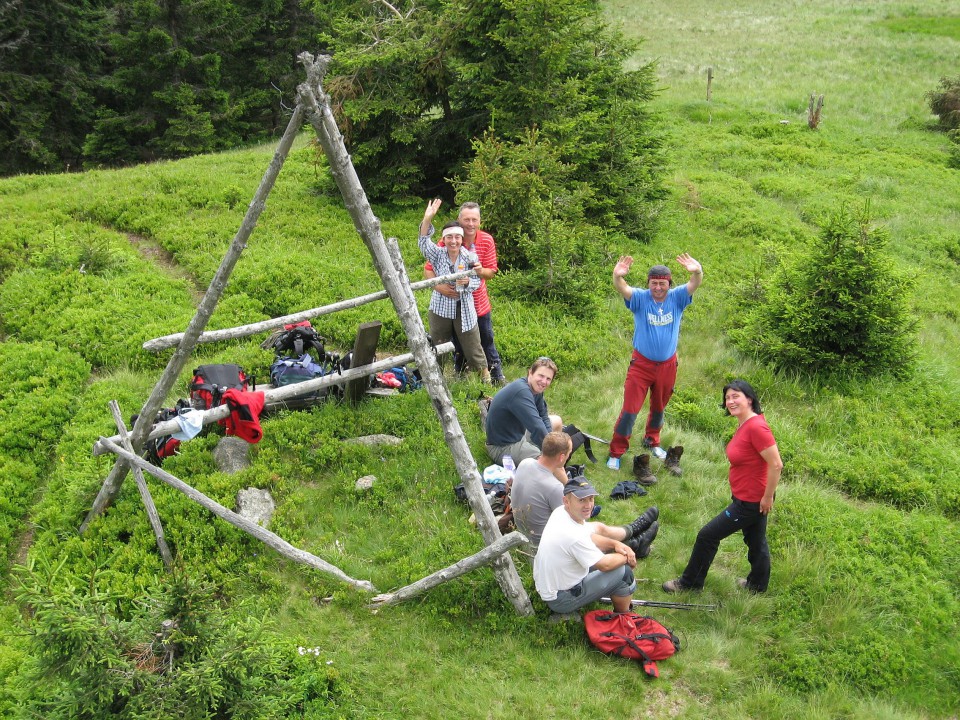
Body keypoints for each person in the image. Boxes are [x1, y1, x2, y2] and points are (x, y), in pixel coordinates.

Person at [663, 379, 783, 594]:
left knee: (707, 536)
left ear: (749, 398)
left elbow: (776, 464)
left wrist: (767, 497)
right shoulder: (746, 424)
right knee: (756, 542)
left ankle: (690, 584)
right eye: (727, 397)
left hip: (751, 501)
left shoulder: (756, 427)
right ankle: (757, 585)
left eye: (735, 396)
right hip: (749, 496)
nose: (730, 401)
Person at [605, 253, 704, 472]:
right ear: (648, 283)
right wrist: (617, 275)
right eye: (654, 283)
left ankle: (652, 441)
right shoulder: (640, 298)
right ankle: (616, 452)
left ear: (669, 284)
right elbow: (622, 288)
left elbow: (694, 282)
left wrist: (697, 270)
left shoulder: (677, 297)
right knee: (630, 409)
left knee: (659, 407)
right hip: (641, 365)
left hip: (668, 366)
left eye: (662, 283)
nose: (658, 287)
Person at [511, 432, 660, 552]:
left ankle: (634, 531)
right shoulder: (554, 488)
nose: (569, 456)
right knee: (594, 530)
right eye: (569, 453)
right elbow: (578, 525)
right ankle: (634, 541)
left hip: (524, 531)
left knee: (597, 528)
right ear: (561, 457)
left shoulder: (526, 463)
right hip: (543, 545)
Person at [423, 202, 505, 383]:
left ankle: (496, 378)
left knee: (482, 341)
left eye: (474, 219)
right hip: (448, 304)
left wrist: (476, 273)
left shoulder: (482, 243)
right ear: (459, 220)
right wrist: (440, 287)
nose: (470, 223)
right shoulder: (444, 244)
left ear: (479, 221)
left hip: (476, 303)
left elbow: (490, 272)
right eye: (466, 219)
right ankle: (458, 377)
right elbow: (428, 268)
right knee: (454, 343)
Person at [534, 479, 638, 615]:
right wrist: (628, 556)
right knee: (624, 573)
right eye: (582, 500)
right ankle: (623, 616)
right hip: (561, 598)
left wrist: (616, 544)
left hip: (549, 585)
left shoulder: (561, 512)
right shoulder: (573, 536)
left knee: (612, 560)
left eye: (591, 499)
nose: (588, 505)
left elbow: (589, 537)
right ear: (566, 501)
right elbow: (604, 565)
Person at [485, 357, 564, 482]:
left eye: (548, 379)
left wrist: (551, 438)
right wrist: (553, 452)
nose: (544, 381)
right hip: (503, 447)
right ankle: (572, 492)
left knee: (556, 421)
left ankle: (557, 467)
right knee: (550, 460)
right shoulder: (521, 391)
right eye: (541, 376)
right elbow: (537, 427)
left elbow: (543, 416)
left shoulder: (536, 389)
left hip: (519, 434)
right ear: (530, 373)